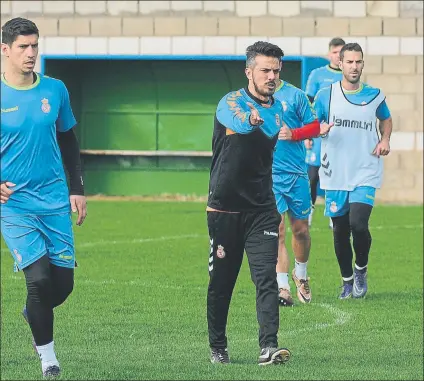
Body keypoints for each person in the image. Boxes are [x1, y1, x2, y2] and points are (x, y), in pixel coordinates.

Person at [1, 17, 87, 378]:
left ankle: (34, 313)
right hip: (15, 205)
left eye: (35, 45)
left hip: (54, 201)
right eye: (23, 46)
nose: (31, 53)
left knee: (61, 285)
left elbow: (68, 138)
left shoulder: (55, 89)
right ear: (5, 49)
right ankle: (48, 360)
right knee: (37, 280)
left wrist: (77, 188)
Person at [206, 41, 291, 366]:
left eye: (276, 71)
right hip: (224, 208)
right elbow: (239, 121)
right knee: (222, 282)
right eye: (265, 70)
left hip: (261, 209)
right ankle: (218, 347)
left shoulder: (278, 108)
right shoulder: (229, 103)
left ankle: (269, 347)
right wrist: (252, 120)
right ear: (249, 71)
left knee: (266, 278)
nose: (272, 76)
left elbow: (270, 126)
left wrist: (266, 121)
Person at [313, 43, 392, 300]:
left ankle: (361, 270)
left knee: (358, 224)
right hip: (335, 172)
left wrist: (385, 140)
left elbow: (386, 119)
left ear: (362, 64)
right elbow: (314, 123)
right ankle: (347, 280)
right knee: (339, 230)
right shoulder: (326, 94)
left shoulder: (374, 95)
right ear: (341, 64)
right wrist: (319, 128)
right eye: (349, 62)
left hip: (365, 170)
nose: (354, 67)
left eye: (358, 62)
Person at [271, 75, 324, 306]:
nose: (270, 74)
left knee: (300, 230)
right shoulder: (251, 99)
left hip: (296, 175)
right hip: (269, 175)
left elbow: (315, 127)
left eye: (274, 67)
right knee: (278, 230)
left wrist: (294, 134)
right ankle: (282, 287)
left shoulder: (296, 95)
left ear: (279, 66)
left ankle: (300, 275)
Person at [304, 37, 345, 228]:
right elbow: (308, 106)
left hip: (340, 136)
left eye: (341, 52)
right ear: (330, 54)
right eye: (335, 52)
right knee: (313, 176)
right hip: (318, 134)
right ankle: (309, 211)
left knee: (335, 176)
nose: (338, 56)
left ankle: (333, 210)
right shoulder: (317, 75)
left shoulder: (349, 76)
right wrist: (307, 134)